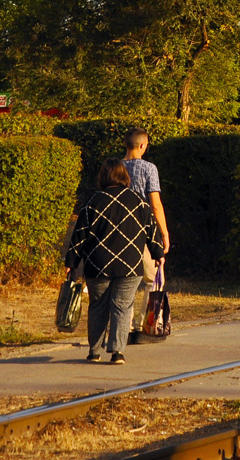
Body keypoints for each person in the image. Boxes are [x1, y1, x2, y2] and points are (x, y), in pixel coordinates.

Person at [66, 159, 164, 364]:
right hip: (130, 264)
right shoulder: (138, 201)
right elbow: (152, 229)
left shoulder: (93, 202)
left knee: (97, 306)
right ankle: (117, 352)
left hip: (97, 264)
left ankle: (94, 351)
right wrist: (158, 253)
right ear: (124, 177)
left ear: (103, 177)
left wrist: (72, 261)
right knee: (123, 306)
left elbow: (79, 235)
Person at [121, 127, 168, 338]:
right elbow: (155, 204)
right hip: (143, 230)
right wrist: (164, 233)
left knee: (125, 281)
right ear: (143, 145)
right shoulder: (149, 168)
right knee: (154, 278)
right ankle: (144, 324)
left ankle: (125, 325)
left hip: (119, 231)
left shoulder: (114, 168)